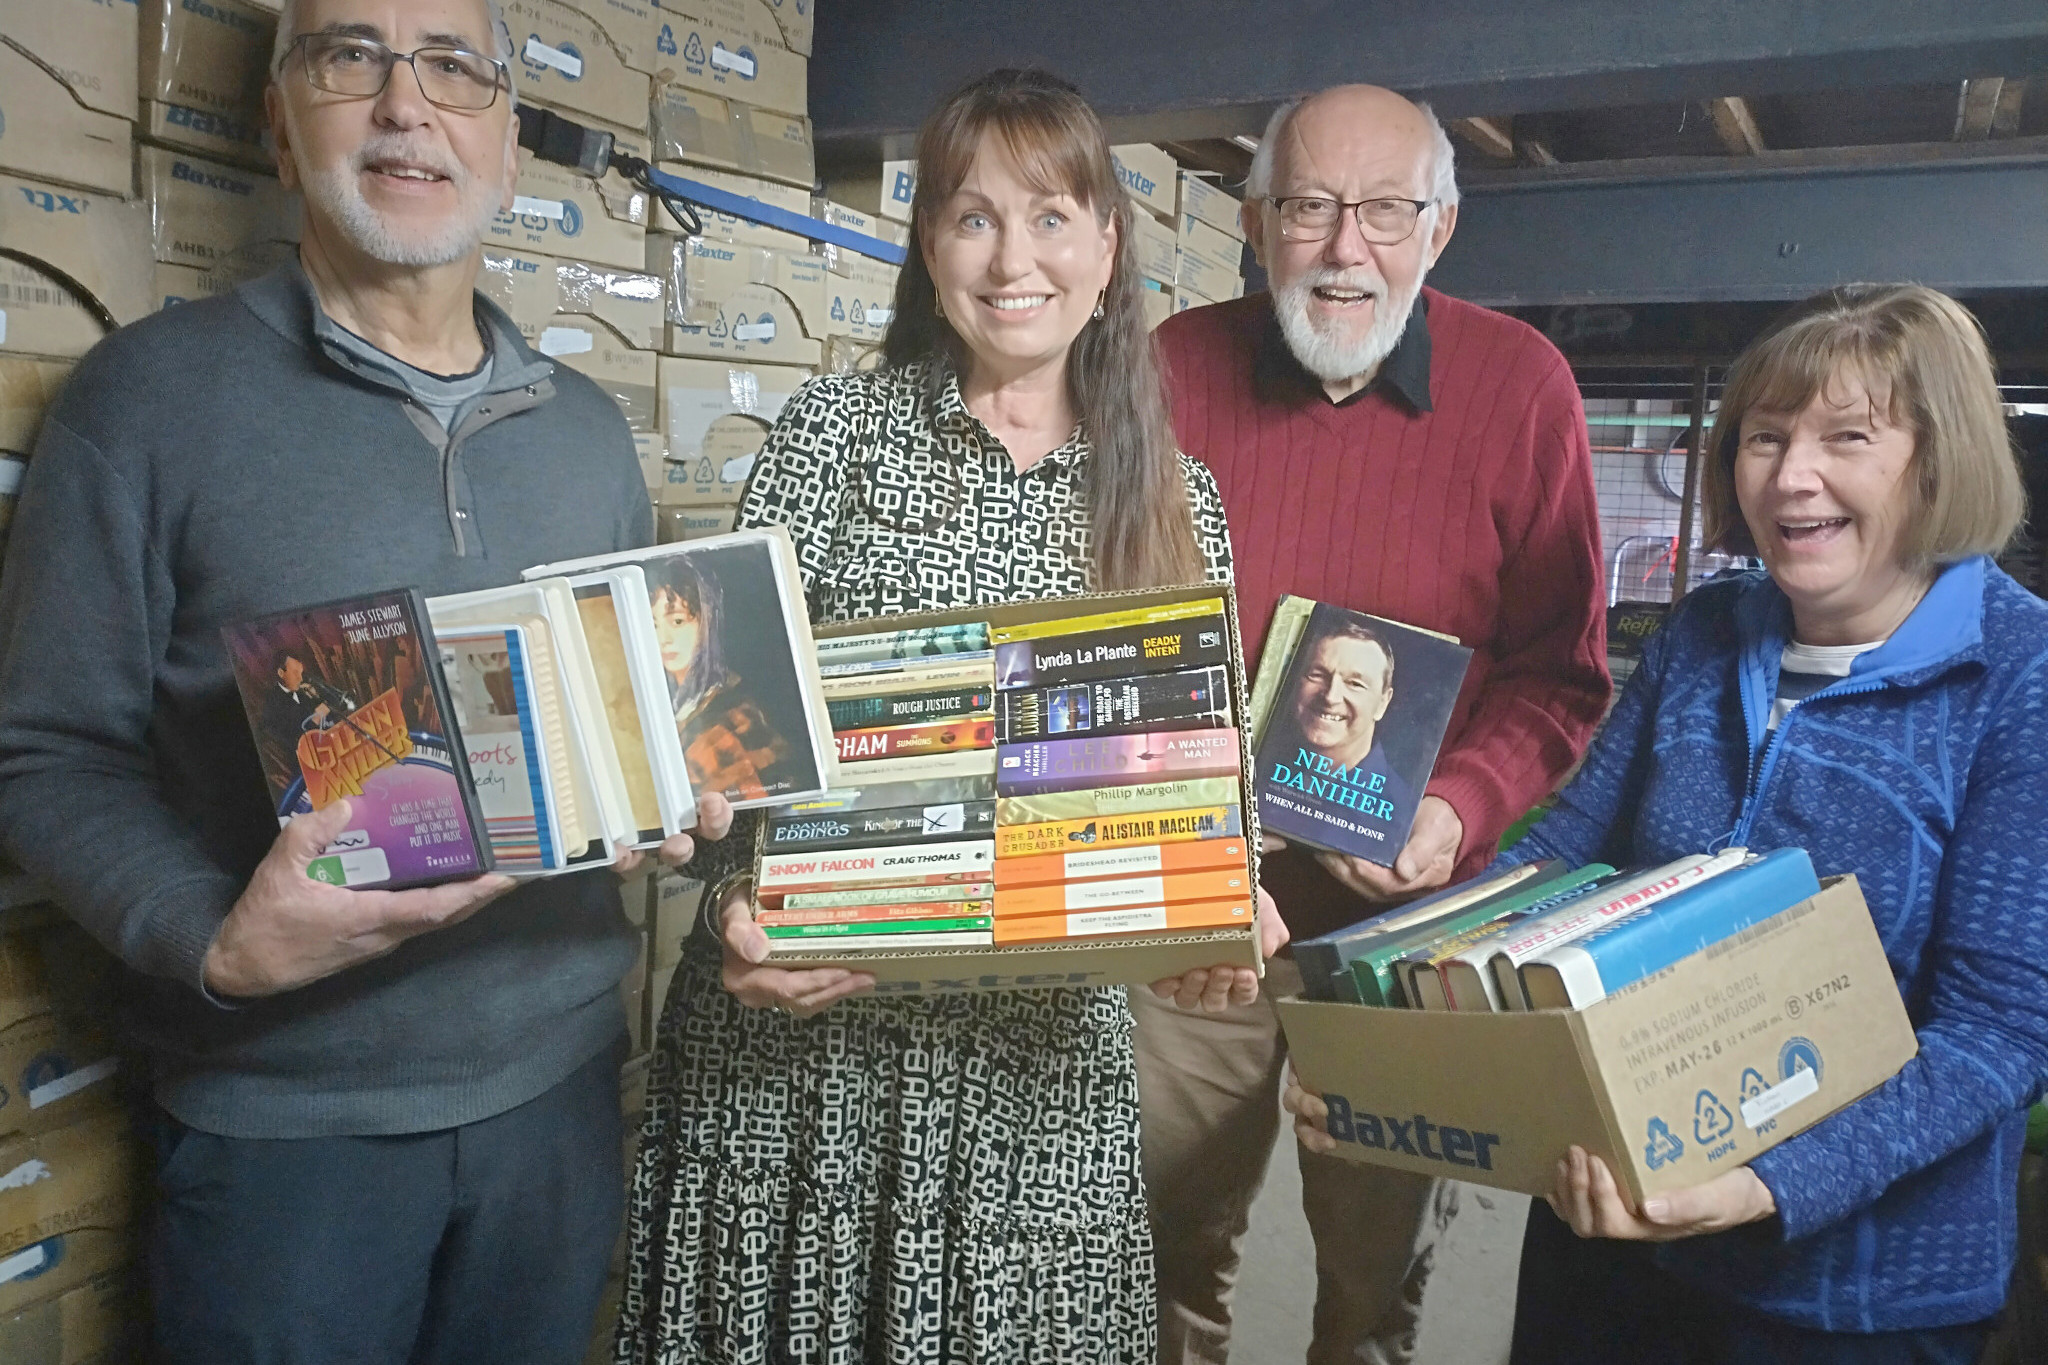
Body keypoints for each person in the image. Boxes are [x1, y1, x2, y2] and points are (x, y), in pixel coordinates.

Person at [0, 2, 728, 1360]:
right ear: (282, 125)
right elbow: (44, 752)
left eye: (455, 67)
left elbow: (635, 731)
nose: (407, 103)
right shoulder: (145, 401)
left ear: (507, 146)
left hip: (558, 1099)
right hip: (283, 1131)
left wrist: (678, 800)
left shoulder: (585, 439)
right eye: (352, 55)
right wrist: (210, 939)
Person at [617, 69, 1287, 1365]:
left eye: (1051, 217)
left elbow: (1204, 792)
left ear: (1107, 249)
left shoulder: (1174, 501)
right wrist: (726, 899)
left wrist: (1218, 908)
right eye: (972, 218)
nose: (1012, 257)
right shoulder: (829, 439)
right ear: (929, 251)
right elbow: (709, 751)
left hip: (1034, 1095)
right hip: (802, 1057)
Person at [1288, 283, 2048, 1363]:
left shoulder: (2021, 677)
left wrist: (1757, 1185)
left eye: (1846, 439)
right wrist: (1379, 1051)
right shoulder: (1707, 628)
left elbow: (1998, 1033)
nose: (1790, 475)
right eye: (1763, 436)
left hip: (1848, 1300)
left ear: (1940, 461)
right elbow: (1562, 861)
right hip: (1602, 1220)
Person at [1142, 85, 1611, 1362]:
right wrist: (1185, 847)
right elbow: (1109, 644)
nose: (1346, 246)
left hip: (1410, 938)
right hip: (1203, 915)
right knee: (1162, 1242)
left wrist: (1452, 806)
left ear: (1439, 228)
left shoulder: (1521, 388)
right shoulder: (1165, 370)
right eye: (1306, 205)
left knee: (1374, 1274)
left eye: (1387, 210)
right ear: (1253, 221)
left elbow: (1560, 670)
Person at [645, 553, 788, 799]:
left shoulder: (738, 717)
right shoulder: (661, 702)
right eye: (653, 624)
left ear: (707, 622)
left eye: (677, 621)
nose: (663, 639)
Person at [1272, 619, 1416, 832]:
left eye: (1355, 684)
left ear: (1383, 702)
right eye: (1318, 675)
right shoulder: (1258, 773)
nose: (1331, 696)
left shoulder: (1403, 815)